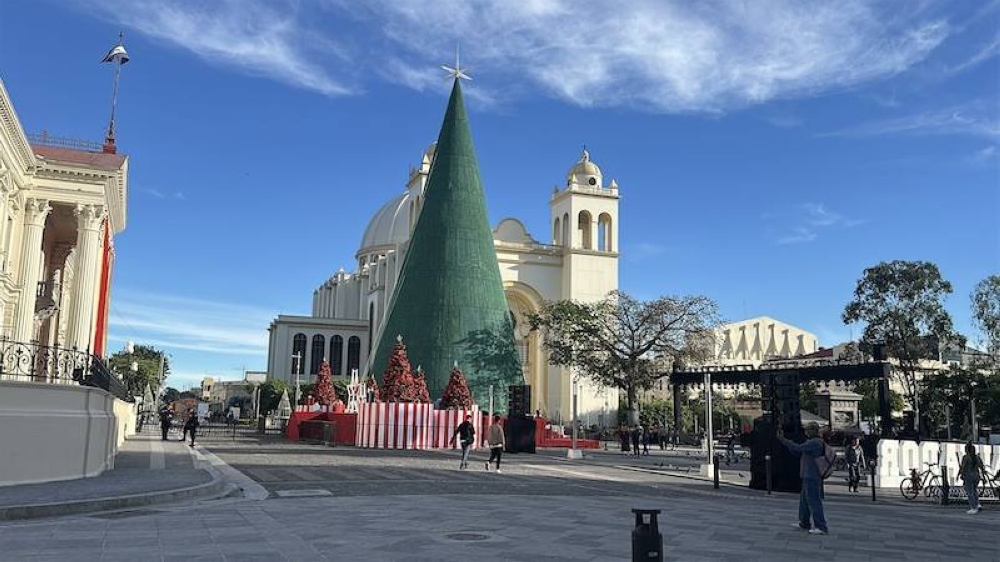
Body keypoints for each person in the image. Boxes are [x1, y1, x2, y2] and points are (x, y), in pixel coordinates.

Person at [778, 422, 829, 535]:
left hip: (812, 475)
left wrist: (784, 440)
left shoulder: (815, 442)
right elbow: (798, 451)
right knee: (804, 501)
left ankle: (821, 526)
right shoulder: (813, 442)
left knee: (814, 501)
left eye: (807, 430)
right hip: (808, 475)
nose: (805, 432)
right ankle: (804, 522)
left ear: (812, 431)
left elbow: (798, 448)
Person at [960, 442, 984, 514]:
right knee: (974, 490)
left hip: (969, 475)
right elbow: (981, 466)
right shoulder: (977, 457)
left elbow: (963, 467)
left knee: (970, 492)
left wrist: (961, 474)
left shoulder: (966, 457)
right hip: (976, 475)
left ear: (967, 450)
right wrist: (983, 475)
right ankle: (978, 504)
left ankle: (973, 507)